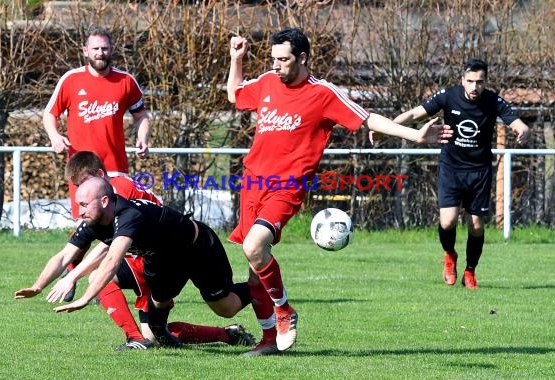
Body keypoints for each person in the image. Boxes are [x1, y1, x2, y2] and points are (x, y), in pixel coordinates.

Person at [226, 27, 453, 356]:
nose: (276, 65)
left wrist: (414, 136)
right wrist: (236, 59)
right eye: (273, 59)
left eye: (283, 60)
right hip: (252, 184)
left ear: (302, 58)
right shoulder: (266, 82)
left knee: (254, 246)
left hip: (287, 187)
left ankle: (285, 312)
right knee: (254, 271)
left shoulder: (322, 94)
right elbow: (235, 95)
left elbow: (367, 118)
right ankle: (268, 341)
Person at [37, 151, 254, 351]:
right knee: (155, 330)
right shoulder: (97, 201)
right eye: (77, 186)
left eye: (84, 182)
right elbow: (78, 245)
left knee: (224, 307)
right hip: (155, 255)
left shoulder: (115, 195)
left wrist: (74, 278)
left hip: (178, 249)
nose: (81, 191)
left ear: (100, 176)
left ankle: (136, 338)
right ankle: (226, 334)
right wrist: (50, 280)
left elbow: (109, 248)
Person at [393, 58, 529, 289]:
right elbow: (415, 114)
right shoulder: (449, 96)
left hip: (480, 171)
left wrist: (523, 130)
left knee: (476, 225)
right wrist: (387, 126)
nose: (475, 87)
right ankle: (450, 255)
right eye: (470, 81)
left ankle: (470, 271)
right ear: (462, 80)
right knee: (447, 222)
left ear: (485, 81)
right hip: (452, 168)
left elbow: (517, 123)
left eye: (480, 82)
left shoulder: (492, 101)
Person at [42, 26, 152, 301]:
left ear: (111, 50)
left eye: (104, 48)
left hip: (115, 167)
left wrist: (143, 137)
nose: (100, 53)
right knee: (87, 221)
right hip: (82, 170)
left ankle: (115, 275)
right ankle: (72, 268)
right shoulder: (71, 80)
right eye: (95, 48)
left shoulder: (125, 82)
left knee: (117, 223)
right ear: (85, 51)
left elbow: (142, 115)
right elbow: (49, 114)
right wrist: (55, 137)